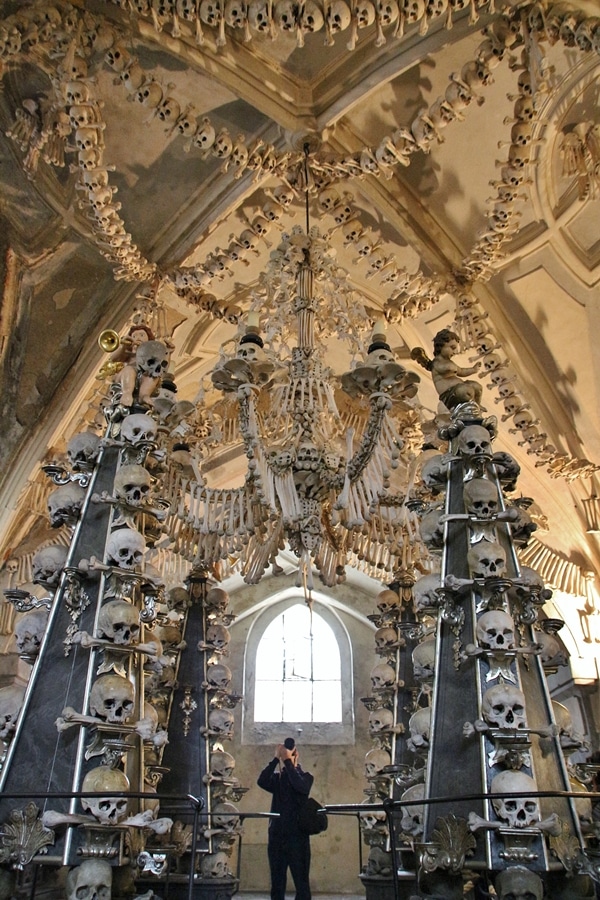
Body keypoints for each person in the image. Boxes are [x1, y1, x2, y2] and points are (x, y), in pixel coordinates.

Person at [258, 739, 314, 900]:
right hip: (277, 838)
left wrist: (289, 762)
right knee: (277, 884)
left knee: (302, 884)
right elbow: (261, 781)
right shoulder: (278, 780)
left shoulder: (306, 777)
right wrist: (276, 759)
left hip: (298, 838)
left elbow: (301, 787)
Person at [411, 329, 482, 410]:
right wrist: (451, 367)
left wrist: (473, 369)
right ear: (440, 346)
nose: (454, 352)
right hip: (449, 395)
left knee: (476, 386)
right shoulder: (436, 363)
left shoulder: (450, 363)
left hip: (459, 389)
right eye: (452, 348)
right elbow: (443, 367)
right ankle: (470, 408)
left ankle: (478, 406)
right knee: (467, 390)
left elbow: (461, 371)